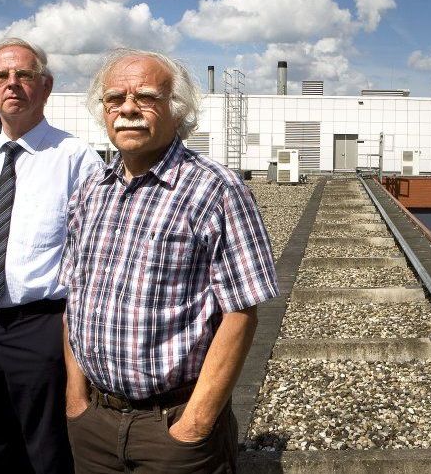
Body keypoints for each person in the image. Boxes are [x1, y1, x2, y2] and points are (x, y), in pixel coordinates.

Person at [60, 48, 277, 473]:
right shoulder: (89, 192)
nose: (127, 109)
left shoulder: (215, 189)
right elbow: (74, 297)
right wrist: (75, 399)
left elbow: (242, 314)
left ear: (176, 112)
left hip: (173, 429)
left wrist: (194, 423)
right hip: (94, 426)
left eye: (145, 97)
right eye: (114, 99)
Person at [0, 38, 103, 473]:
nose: (13, 84)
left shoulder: (76, 159)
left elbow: (95, 264)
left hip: (40, 330)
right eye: (1, 77)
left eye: (24, 75)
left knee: (48, 454)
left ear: (45, 86)